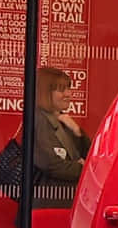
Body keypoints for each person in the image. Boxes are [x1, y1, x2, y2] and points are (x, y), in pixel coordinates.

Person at [30, 66, 88, 206]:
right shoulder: (39, 121)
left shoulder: (61, 120)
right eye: (61, 90)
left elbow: (88, 154)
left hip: (60, 203)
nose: (68, 94)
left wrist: (77, 131)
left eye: (69, 88)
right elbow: (51, 165)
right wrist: (84, 169)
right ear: (45, 92)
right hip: (46, 205)